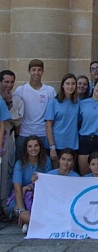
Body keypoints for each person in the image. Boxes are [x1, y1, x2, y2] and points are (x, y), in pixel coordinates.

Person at [13, 59, 56, 158]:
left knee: (43, 164)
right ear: (29, 71)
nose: (36, 73)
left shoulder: (49, 91)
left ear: (43, 71)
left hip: (43, 134)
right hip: (24, 133)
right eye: (34, 70)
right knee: (21, 162)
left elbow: (52, 114)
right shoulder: (21, 90)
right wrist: (17, 133)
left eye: (39, 70)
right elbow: (15, 113)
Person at [8, 135, 51, 233]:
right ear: (26, 149)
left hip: (39, 196)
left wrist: (32, 186)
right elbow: (17, 188)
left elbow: (48, 183)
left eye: (36, 145)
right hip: (20, 197)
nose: (33, 149)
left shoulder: (46, 161)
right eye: (30, 146)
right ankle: (32, 222)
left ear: (40, 147)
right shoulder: (19, 164)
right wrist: (21, 209)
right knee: (24, 214)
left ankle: (28, 224)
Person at [0, 70, 23, 216]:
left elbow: (17, 119)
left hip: (7, 138)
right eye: (6, 82)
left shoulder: (18, 100)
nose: (9, 85)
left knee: (6, 174)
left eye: (11, 82)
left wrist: (9, 103)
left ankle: (3, 207)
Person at [44, 73, 79, 167]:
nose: (70, 86)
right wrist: (52, 147)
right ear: (63, 85)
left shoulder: (78, 102)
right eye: (67, 83)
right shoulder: (54, 103)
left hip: (72, 144)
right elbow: (48, 125)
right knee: (57, 173)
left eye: (73, 84)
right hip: (57, 144)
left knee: (69, 175)